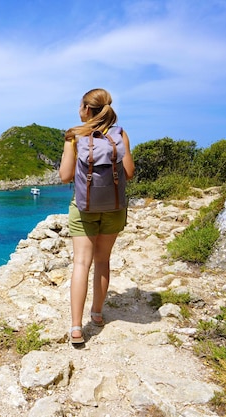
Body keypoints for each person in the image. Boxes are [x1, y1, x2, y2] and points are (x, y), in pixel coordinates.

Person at [59, 88, 135, 344]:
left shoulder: (74, 136)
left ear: (86, 109)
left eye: (80, 106)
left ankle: (77, 328)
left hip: (83, 207)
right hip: (113, 207)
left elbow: (65, 176)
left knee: (82, 263)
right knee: (103, 261)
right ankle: (98, 314)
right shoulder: (120, 133)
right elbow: (130, 172)